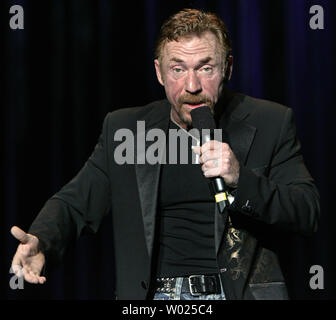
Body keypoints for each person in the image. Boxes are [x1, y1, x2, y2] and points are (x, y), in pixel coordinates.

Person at [10, 8, 320, 300]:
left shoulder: (270, 122)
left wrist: (241, 180)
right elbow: (76, 203)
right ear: (160, 72)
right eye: (178, 69)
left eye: (206, 68)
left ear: (227, 67)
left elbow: (307, 212)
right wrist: (42, 241)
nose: (192, 85)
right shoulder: (127, 129)